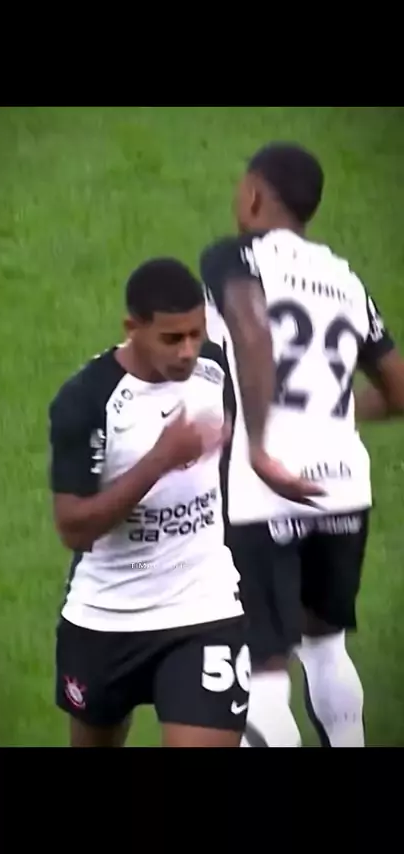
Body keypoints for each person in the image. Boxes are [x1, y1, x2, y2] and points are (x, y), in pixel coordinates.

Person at [199, 142, 404, 747]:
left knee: (262, 669)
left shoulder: (235, 256)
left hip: (264, 491)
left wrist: (261, 445)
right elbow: (398, 391)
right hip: (342, 488)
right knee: (326, 646)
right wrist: (331, 414)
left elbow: (252, 330)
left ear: (253, 195)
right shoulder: (346, 279)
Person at [48, 257, 251, 748]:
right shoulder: (86, 400)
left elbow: (228, 441)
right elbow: (73, 528)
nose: (187, 351)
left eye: (196, 334)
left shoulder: (215, 369)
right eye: (171, 338)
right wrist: (159, 461)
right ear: (132, 328)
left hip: (202, 607)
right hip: (105, 616)